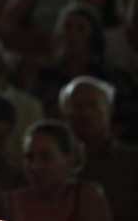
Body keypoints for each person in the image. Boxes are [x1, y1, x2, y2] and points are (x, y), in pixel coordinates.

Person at [59, 75, 138, 221]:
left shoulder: (133, 162)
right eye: (78, 106)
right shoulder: (58, 165)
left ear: (109, 110)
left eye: (93, 104)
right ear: (66, 116)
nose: (86, 113)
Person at [12, 119, 112, 221]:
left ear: (69, 160)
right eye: (29, 157)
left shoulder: (86, 198)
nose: (34, 166)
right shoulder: (13, 203)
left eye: (45, 157)